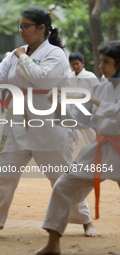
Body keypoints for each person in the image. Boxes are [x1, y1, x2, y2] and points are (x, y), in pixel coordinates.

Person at [0, 7, 97, 240]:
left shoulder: (55, 54)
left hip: (49, 123)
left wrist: (21, 57)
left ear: (41, 28)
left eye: (26, 26)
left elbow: (41, 78)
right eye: (20, 26)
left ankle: (85, 221)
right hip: (15, 122)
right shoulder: (15, 54)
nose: (21, 30)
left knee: (62, 177)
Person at [33, 40, 120, 255]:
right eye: (101, 61)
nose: (101, 66)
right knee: (63, 186)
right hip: (101, 148)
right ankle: (53, 244)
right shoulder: (100, 88)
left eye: (106, 62)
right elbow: (80, 120)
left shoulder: (96, 91)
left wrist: (95, 100)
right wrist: (58, 105)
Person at [68, 52, 99, 144]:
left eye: (77, 63)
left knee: (90, 130)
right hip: (74, 108)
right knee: (84, 132)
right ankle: (94, 149)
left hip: (88, 108)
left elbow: (98, 91)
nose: (75, 66)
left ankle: (98, 148)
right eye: (73, 64)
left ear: (82, 63)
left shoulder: (90, 76)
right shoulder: (69, 77)